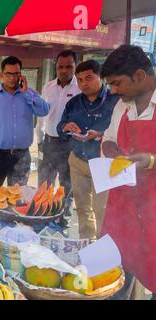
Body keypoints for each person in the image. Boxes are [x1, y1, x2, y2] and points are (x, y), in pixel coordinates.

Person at [0, 56, 49, 239]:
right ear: (1, 75)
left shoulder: (29, 95)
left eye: (16, 74)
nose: (13, 78)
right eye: (8, 74)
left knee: (18, 199)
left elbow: (44, 110)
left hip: (21, 156)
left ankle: (12, 235)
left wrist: (28, 92)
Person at [100, 45, 156, 298]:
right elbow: (108, 139)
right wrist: (112, 150)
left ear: (140, 76)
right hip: (122, 207)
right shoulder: (122, 106)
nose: (113, 91)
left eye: (117, 83)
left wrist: (152, 160)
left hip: (153, 209)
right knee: (113, 274)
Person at [57, 60, 119, 241]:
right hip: (77, 161)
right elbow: (61, 125)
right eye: (80, 79)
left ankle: (103, 247)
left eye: (89, 78)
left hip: (103, 163)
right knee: (82, 207)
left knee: (102, 210)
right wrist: (66, 126)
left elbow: (121, 132)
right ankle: (86, 243)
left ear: (101, 77)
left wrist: (99, 135)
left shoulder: (115, 101)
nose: (83, 83)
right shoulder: (74, 102)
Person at [36, 50, 80, 220]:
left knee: (66, 185)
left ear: (75, 66)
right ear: (56, 67)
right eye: (60, 67)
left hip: (70, 144)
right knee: (44, 182)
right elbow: (42, 115)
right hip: (49, 142)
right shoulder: (48, 87)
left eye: (68, 66)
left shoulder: (79, 88)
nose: (64, 70)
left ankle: (63, 218)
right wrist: (39, 139)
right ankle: (42, 216)